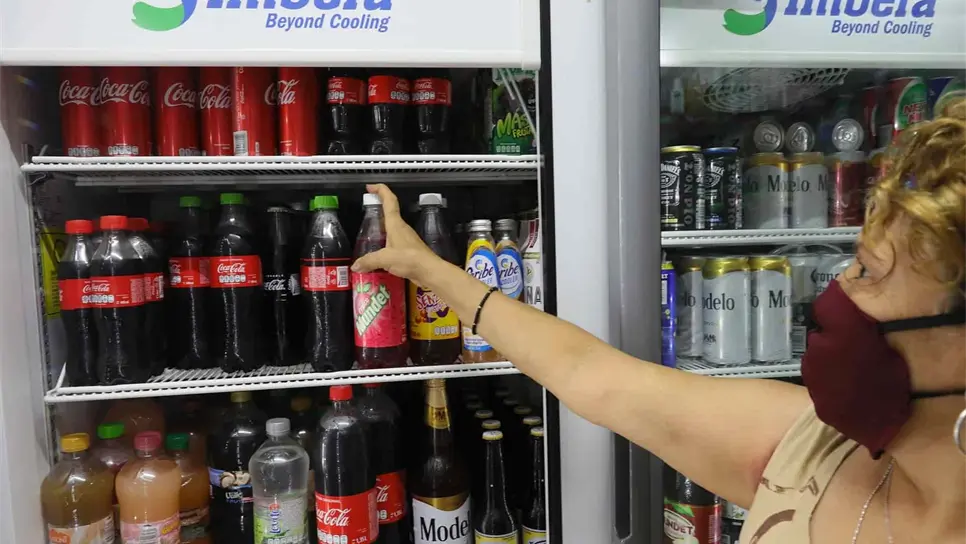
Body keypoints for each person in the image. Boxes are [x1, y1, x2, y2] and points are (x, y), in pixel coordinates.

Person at [352, 104, 966, 543]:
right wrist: (427, 270)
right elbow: (590, 373)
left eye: (869, 272)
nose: (834, 295)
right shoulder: (810, 449)